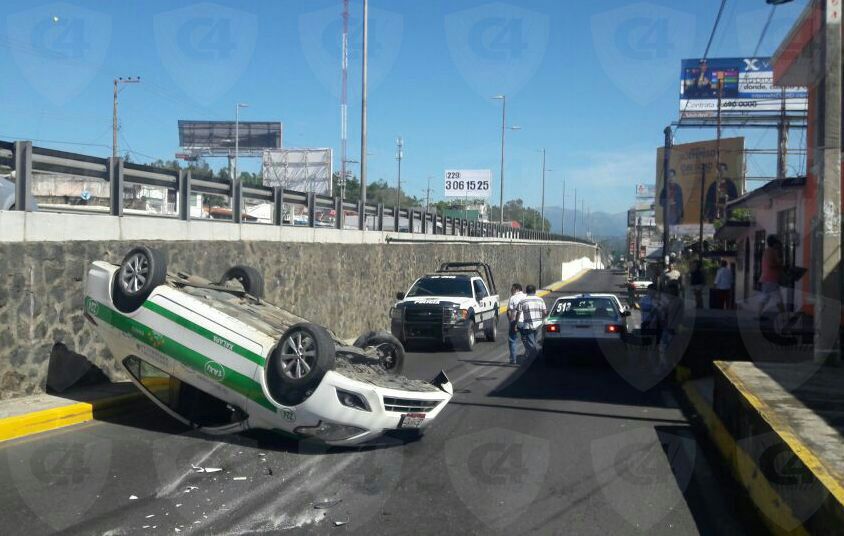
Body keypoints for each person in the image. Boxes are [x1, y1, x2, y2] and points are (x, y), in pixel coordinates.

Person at [517, 284, 547, 362]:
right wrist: (542, 319)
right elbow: (545, 312)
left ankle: (537, 357)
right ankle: (533, 357)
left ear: (526, 291)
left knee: (530, 343)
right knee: (535, 341)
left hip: (528, 325)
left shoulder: (522, 301)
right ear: (535, 291)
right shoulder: (540, 300)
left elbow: (518, 313)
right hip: (539, 324)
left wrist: (516, 323)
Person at [759, 235, 785, 315]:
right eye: (777, 243)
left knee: (767, 298)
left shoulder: (768, 251)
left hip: (767, 279)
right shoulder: (771, 251)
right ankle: (784, 316)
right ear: (774, 243)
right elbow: (771, 264)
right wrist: (780, 265)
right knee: (777, 298)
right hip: (770, 279)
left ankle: (759, 314)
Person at [506, 283, 526, 365]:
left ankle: (513, 359)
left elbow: (509, 311)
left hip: (515, 321)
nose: (511, 290)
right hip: (525, 321)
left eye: (512, 289)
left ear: (517, 289)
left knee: (512, 340)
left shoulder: (513, 298)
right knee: (525, 339)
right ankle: (529, 355)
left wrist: (511, 321)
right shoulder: (526, 297)